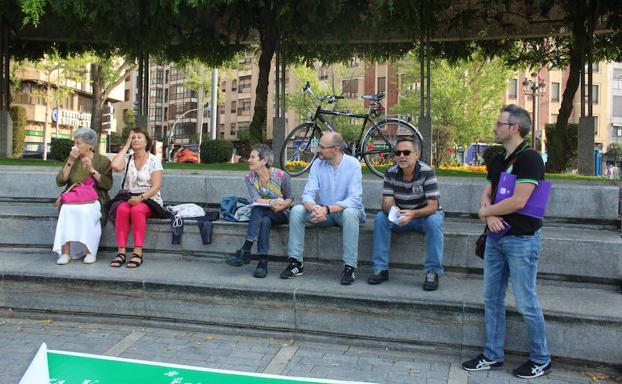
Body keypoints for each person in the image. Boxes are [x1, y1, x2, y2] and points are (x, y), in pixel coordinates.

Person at [462, 104, 551, 379]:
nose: (495, 127)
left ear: (514, 128)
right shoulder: (498, 156)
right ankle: (492, 355)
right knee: (492, 297)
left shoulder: (531, 158)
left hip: (521, 239)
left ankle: (541, 358)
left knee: (526, 301)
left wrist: (484, 212)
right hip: (496, 237)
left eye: (499, 123)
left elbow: (520, 200)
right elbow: (488, 191)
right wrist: (488, 216)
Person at [281, 132, 365, 285]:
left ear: (336, 149)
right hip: (323, 214)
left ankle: (349, 267)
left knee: (351, 212)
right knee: (297, 211)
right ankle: (296, 263)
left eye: (322, 147)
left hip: (344, 214)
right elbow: (307, 194)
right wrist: (315, 209)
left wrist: (326, 209)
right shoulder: (317, 164)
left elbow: (354, 199)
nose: (317, 149)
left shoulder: (353, 164)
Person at [367, 137, 444, 291]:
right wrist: (396, 213)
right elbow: (386, 203)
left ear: (416, 154)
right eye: (398, 152)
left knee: (434, 221)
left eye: (406, 152)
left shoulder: (427, 172)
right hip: (401, 215)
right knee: (380, 219)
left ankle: (432, 272)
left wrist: (412, 214)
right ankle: (380, 269)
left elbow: (433, 207)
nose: (401, 156)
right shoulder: (390, 173)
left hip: (424, 216)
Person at [226, 144, 294, 278]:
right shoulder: (249, 178)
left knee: (258, 210)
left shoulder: (282, 176)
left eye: (253, 157)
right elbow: (255, 199)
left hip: (282, 213)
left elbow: (291, 198)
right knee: (263, 218)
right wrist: (271, 202)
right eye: (250, 157)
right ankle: (262, 261)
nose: (249, 160)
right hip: (264, 213)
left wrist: (281, 206)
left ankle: (246, 249)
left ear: (263, 160)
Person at [53, 127, 113, 265]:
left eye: (78, 143)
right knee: (66, 210)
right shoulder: (72, 159)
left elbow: (107, 184)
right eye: (75, 142)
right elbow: (60, 181)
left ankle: (89, 251)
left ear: (90, 145)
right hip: (73, 197)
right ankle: (65, 252)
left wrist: (92, 169)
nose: (75, 146)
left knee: (87, 212)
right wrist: (70, 161)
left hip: (95, 197)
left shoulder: (103, 161)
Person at [109, 128, 165, 268]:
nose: (135, 140)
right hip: (128, 197)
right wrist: (127, 145)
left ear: (147, 142)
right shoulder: (127, 159)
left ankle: (137, 252)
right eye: (133, 138)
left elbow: (156, 186)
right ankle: (121, 251)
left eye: (139, 137)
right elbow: (114, 165)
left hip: (149, 199)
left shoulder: (154, 160)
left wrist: (141, 198)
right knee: (122, 209)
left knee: (137, 210)